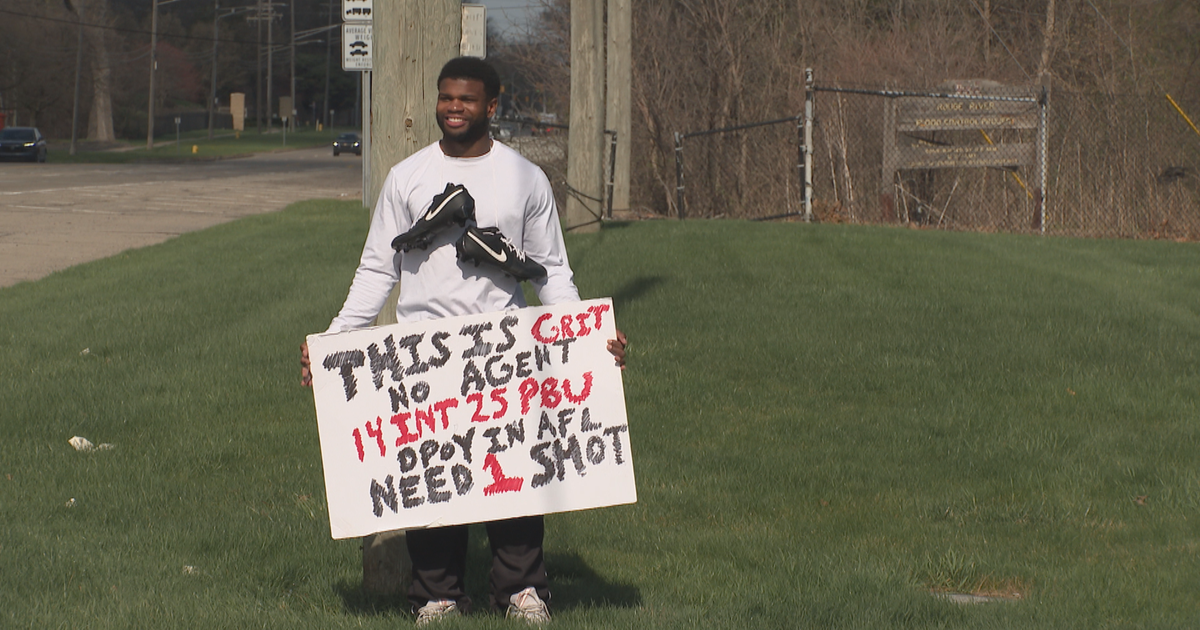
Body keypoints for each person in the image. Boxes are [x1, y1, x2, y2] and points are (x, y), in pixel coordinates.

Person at [300, 56, 626, 625]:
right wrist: (334, 340)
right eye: (446, 97)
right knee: (431, 478)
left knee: (514, 473)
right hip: (422, 352)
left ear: (492, 105)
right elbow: (378, 270)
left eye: (467, 99)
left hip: (502, 348)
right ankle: (436, 595)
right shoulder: (407, 177)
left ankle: (523, 590)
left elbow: (550, 270)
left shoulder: (525, 178)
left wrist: (585, 338)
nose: (454, 108)